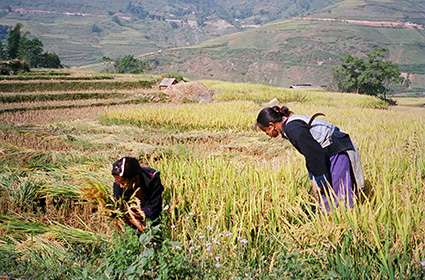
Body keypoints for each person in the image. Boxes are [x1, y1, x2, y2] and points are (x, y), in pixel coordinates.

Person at [256, 106, 364, 211]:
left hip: (336, 150)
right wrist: (313, 178)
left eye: (266, 131)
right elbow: (309, 153)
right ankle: (329, 221)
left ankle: (341, 223)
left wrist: (320, 180)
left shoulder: (292, 128)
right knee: (328, 195)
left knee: (337, 196)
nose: (267, 134)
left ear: (271, 125)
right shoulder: (290, 126)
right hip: (328, 151)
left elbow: (314, 153)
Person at [111, 156, 164, 232]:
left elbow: (154, 209)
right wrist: (133, 219)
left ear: (134, 179)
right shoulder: (119, 184)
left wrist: (142, 216)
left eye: (123, 183)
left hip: (147, 214)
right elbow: (120, 208)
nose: (120, 186)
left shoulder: (152, 179)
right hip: (133, 219)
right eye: (117, 182)